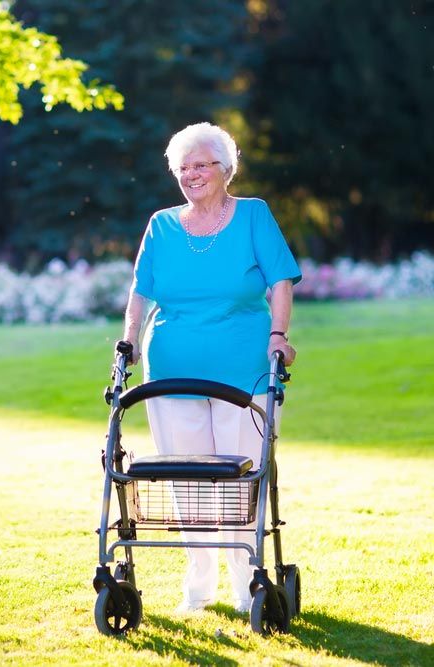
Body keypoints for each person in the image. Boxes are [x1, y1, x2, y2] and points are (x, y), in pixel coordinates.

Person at [120, 122, 301, 614]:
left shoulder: (253, 216)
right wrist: (129, 341)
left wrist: (279, 337)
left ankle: (247, 586)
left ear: (226, 169)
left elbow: (281, 280)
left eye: (202, 165)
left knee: (241, 477)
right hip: (172, 371)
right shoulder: (161, 225)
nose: (192, 174)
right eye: (183, 167)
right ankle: (198, 586)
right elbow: (141, 291)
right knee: (188, 482)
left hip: (244, 370)